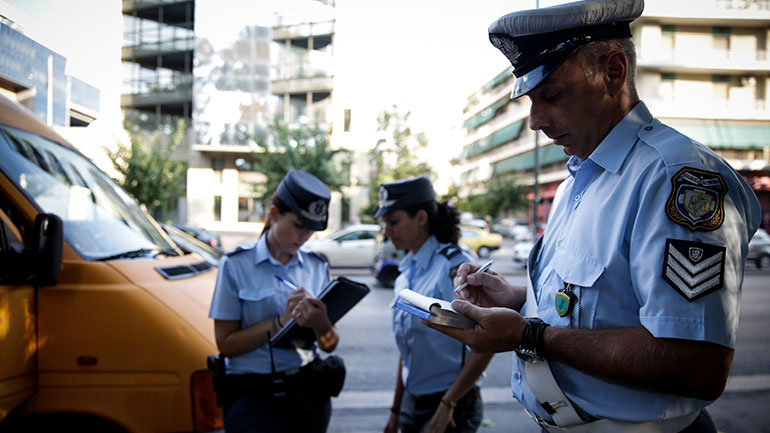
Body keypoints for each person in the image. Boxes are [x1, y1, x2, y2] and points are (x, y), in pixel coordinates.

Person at [427, 1, 763, 432]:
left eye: (551, 95)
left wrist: (529, 335)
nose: (534, 121)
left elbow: (696, 364)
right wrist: (516, 300)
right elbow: (596, 306)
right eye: (531, 99)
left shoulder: (674, 178)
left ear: (613, 71)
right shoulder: (577, 181)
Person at [209, 169, 340, 433]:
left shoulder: (316, 266)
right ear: (274, 214)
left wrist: (322, 323)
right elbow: (226, 343)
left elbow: (329, 345)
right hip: (252, 395)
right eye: (299, 226)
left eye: (311, 230)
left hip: (307, 393)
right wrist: (280, 321)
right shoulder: (236, 265)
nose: (304, 237)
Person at [375, 176, 494, 433]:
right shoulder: (407, 271)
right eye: (385, 223)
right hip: (412, 398)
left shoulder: (455, 267)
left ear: (420, 217)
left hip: (452, 404)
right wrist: (395, 410)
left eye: (393, 222)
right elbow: (408, 348)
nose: (387, 232)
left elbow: (485, 343)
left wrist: (447, 404)